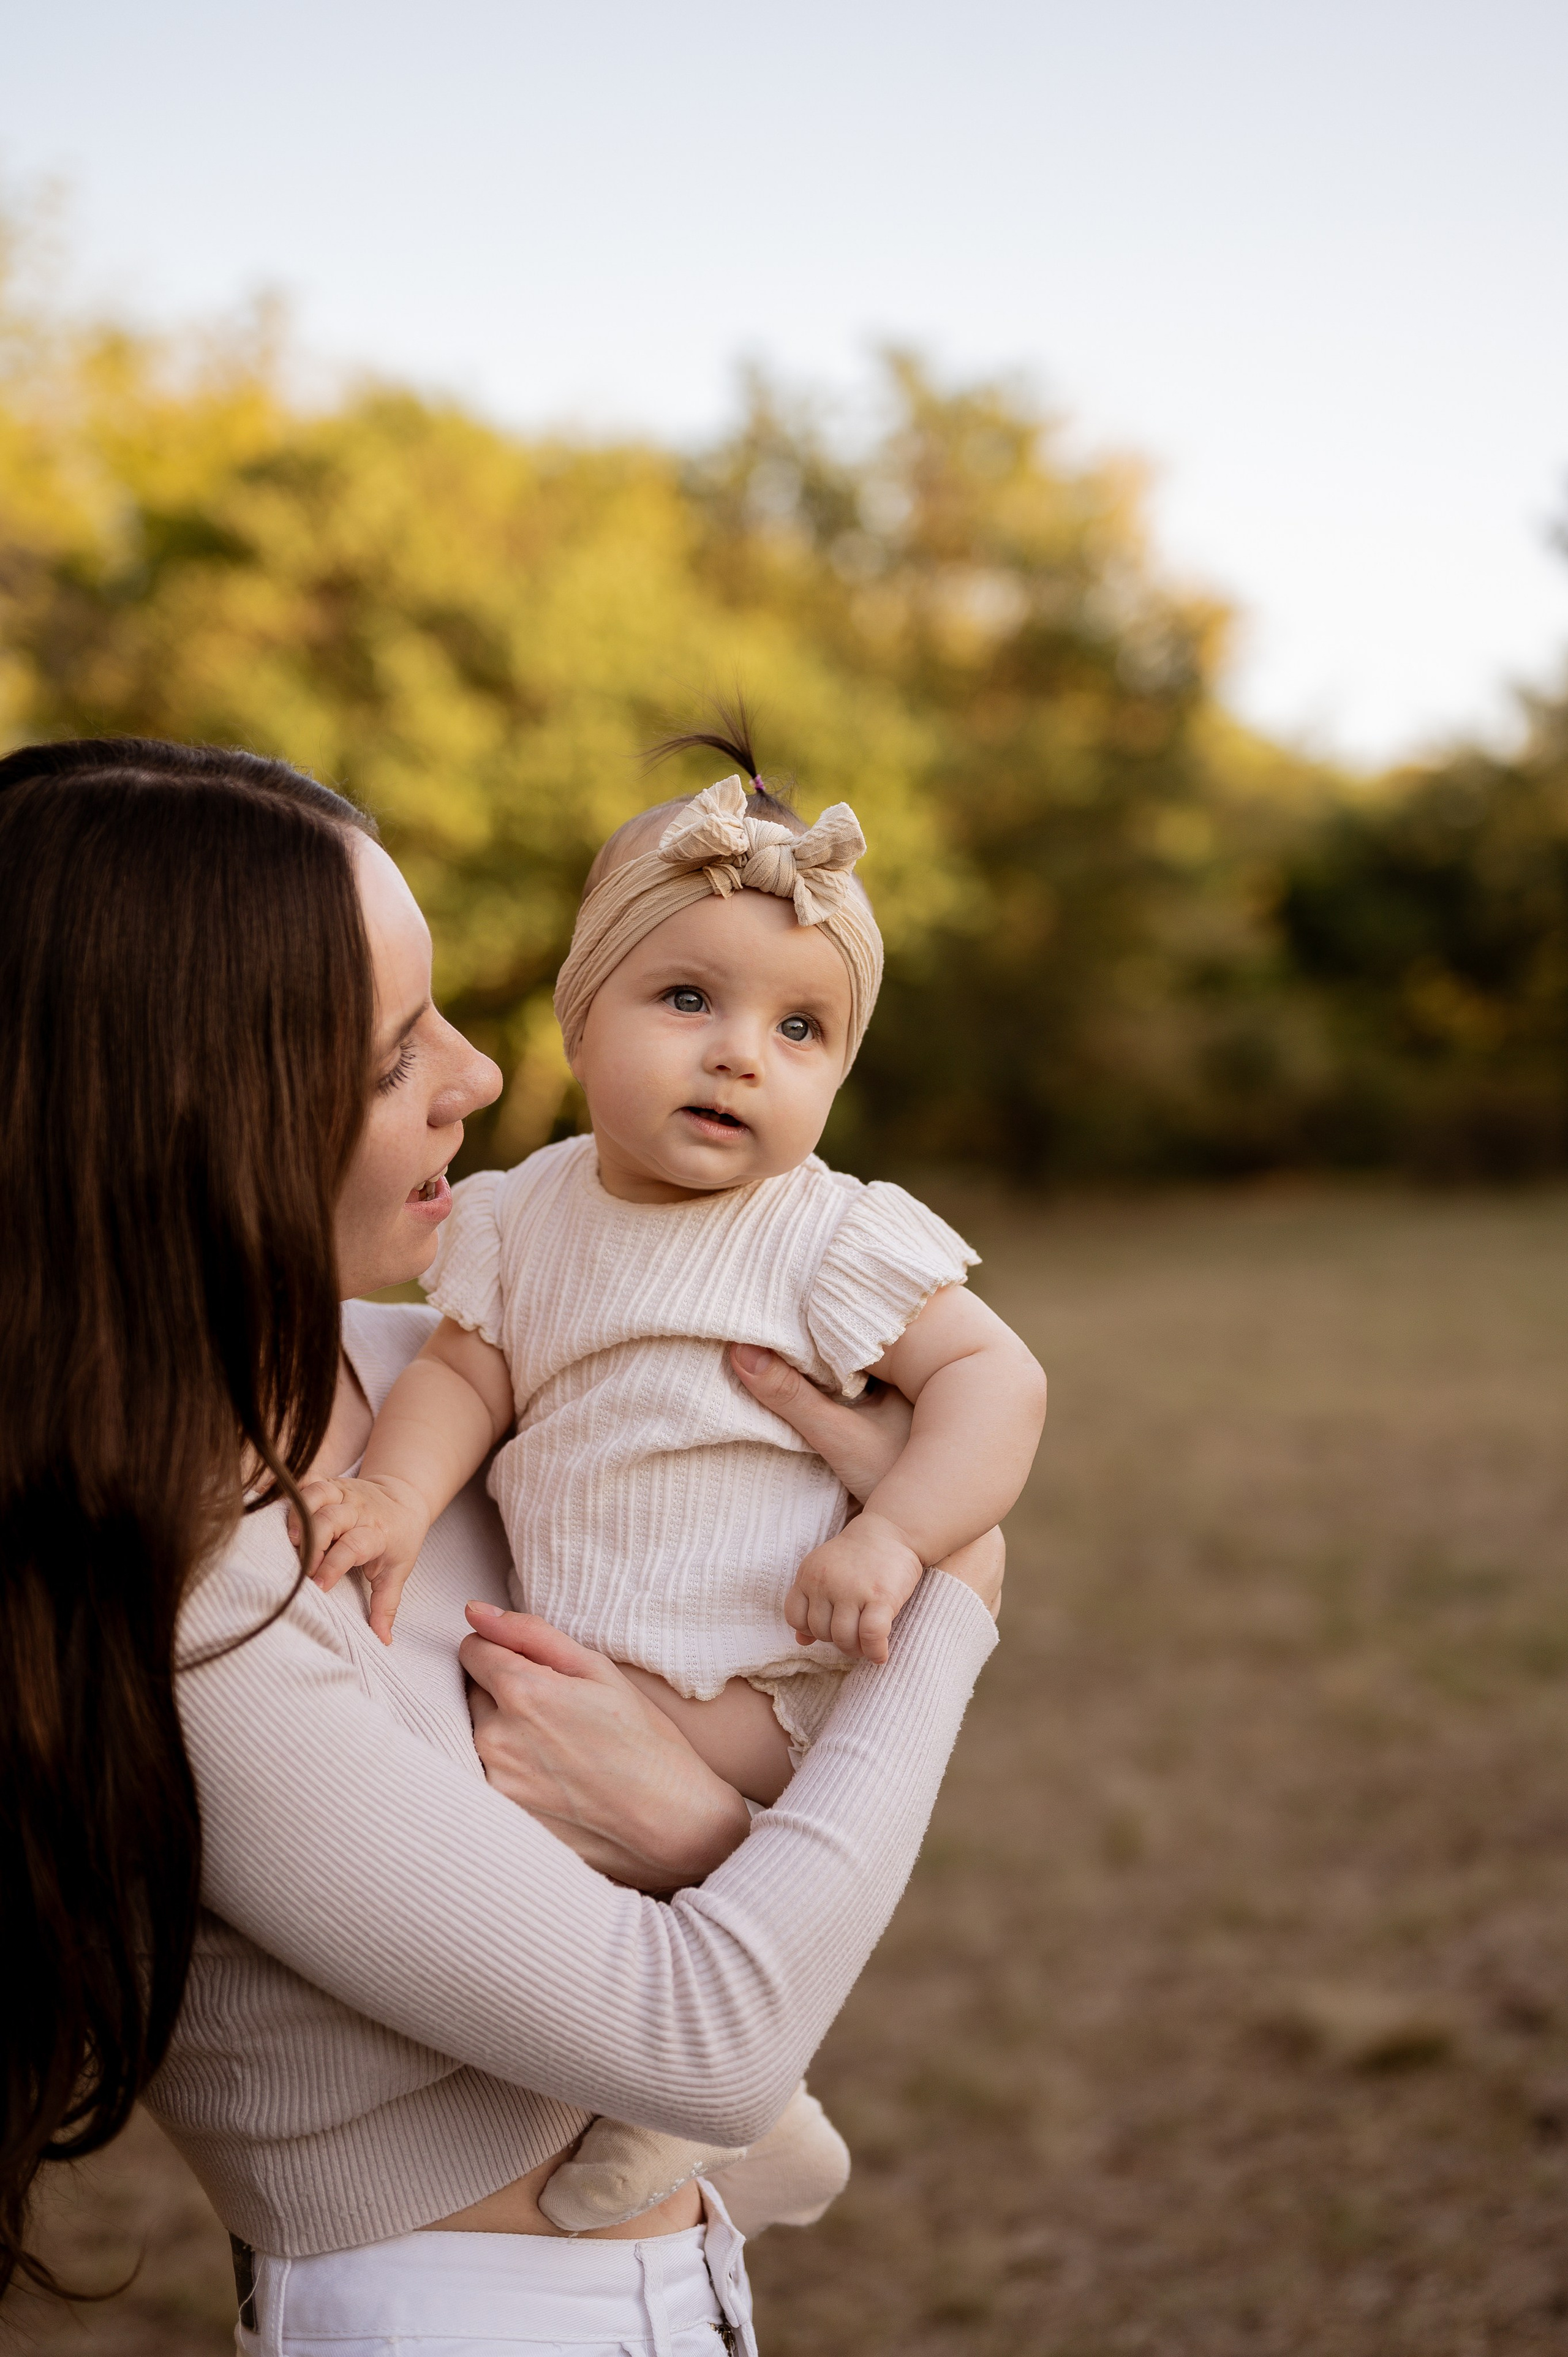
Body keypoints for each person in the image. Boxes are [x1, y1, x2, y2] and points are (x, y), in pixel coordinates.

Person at [0, 736, 1007, 2357]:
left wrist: (701, 1832)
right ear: (187, 1118)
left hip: (678, 2289)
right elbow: (705, 2039)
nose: (475, 1075)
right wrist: (953, 1597)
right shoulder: (182, 1585)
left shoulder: (430, 1375)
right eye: (393, 1052)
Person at [294, 731, 1047, 2234]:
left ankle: (695, 2099)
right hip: (596, 1648)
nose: (739, 1054)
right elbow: (463, 1380)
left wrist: (896, 1536)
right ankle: (759, 2119)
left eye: (800, 1028)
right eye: (688, 998)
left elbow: (996, 1382)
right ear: (580, 1016)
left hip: (761, 1669)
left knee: (525, 1857)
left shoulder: (826, 1235)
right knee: (512, 1843)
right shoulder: (518, 1215)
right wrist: (392, 1495)